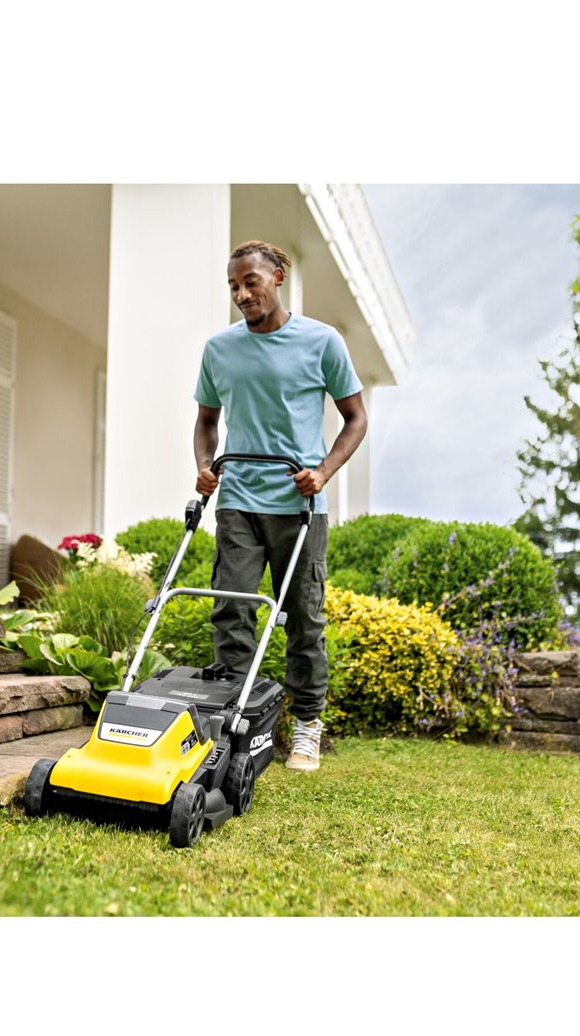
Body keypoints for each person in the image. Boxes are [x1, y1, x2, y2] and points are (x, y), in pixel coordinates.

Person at [193, 240, 368, 772]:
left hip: (299, 505)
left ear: (277, 277)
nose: (242, 294)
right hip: (238, 501)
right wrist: (205, 465)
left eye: (251, 282)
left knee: (303, 619)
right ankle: (235, 722)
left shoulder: (322, 341)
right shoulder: (219, 349)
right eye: (234, 286)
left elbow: (356, 418)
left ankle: (308, 725)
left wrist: (324, 472)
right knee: (232, 611)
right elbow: (206, 422)